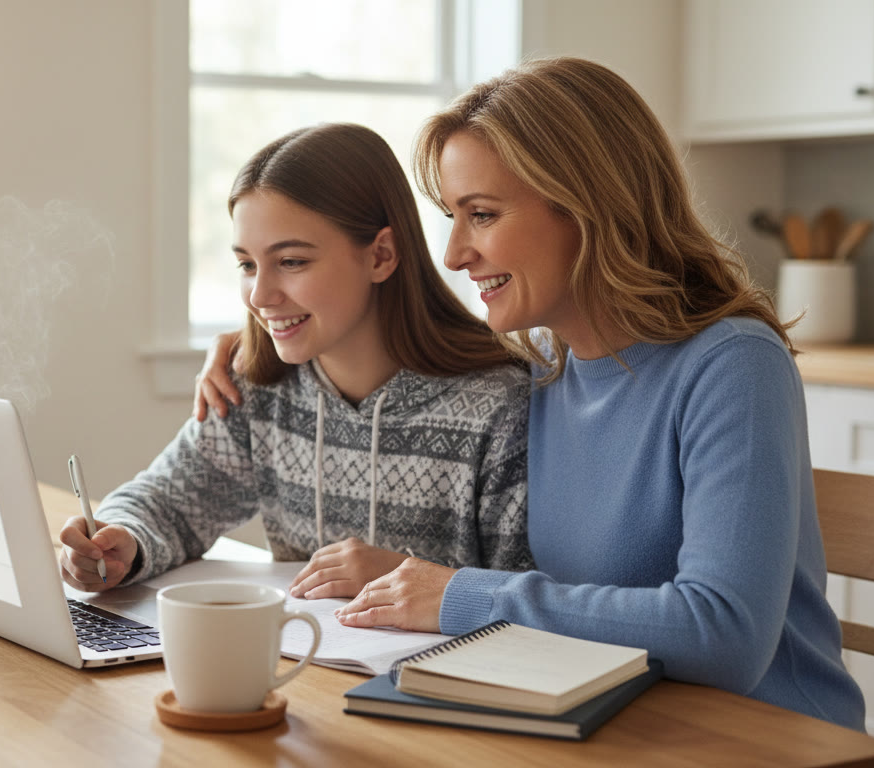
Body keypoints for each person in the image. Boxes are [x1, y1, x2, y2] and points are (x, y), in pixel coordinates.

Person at [193, 59, 865, 729]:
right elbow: (410, 348)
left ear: (587, 206)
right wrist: (257, 335)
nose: (454, 254)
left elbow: (723, 634)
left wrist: (457, 593)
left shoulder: (732, 365)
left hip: (762, 737)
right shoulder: (541, 366)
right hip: (601, 722)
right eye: (451, 217)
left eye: (480, 215)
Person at [58, 123, 534, 601]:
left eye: (291, 262)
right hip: (299, 667)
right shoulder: (258, 387)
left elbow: (530, 596)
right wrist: (121, 539)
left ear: (381, 256)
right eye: (247, 264)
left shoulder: (497, 406)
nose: (260, 296)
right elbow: (168, 503)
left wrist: (405, 576)